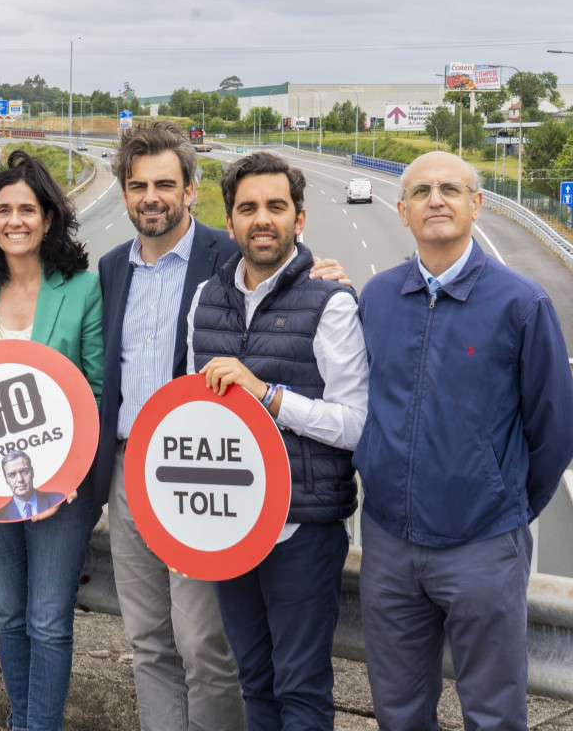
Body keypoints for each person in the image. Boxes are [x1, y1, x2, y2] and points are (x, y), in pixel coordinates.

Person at [96, 122, 347, 731]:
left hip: (206, 477)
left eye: (164, 184)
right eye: (137, 186)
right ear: (125, 194)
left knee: (207, 647)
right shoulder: (110, 268)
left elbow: (280, 270)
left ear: (190, 191)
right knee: (149, 641)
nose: (150, 197)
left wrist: (325, 274)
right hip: (132, 475)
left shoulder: (225, 256)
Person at [354, 151, 573, 730]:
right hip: (389, 543)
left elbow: (556, 427)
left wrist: (505, 505)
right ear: (402, 211)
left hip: (483, 546)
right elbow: (356, 402)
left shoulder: (521, 303)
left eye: (451, 189)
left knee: (493, 714)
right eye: (422, 191)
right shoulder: (375, 299)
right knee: (398, 714)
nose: (436, 200)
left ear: (475, 204)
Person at [186, 150, 367, 730]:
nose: (262, 219)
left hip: (302, 529)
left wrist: (269, 396)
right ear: (231, 220)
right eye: (248, 208)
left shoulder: (332, 302)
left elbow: (356, 425)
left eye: (275, 207)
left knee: (303, 689)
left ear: (300, 219)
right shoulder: (206, 300)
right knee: (255, 684)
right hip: (231, 523)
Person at [0, 149, 103, 730]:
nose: (14, 220)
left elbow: (93, 388)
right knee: (8, 615)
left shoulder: (82, 288)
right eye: (2, 210)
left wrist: (65, 472)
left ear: (48, 218)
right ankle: (22, 721)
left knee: (47, 619)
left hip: (61, 485)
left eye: (27, 209)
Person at [0, 450, 66, 522]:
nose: (20, 479)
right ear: (6, 479)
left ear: (32, 472)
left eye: (24, 471)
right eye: (12, 475)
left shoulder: (58, 499)